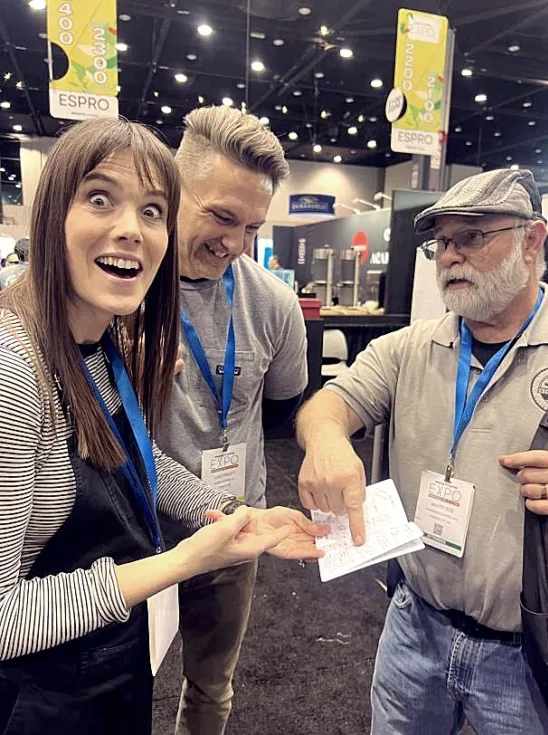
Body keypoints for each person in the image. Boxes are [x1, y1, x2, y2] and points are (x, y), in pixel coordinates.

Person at [0, 116, 326, 735]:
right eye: (100, 199)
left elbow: (134, 457)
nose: (130, 229)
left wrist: (234, 514)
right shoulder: (16, 363)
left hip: (97, 665)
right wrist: (177, 563)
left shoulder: (93, 342)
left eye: (150, 211)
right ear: (50, 217)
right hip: (37, 692)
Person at [296, 168, 548, 733]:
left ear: (533, 240)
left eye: (473, 238)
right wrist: (327, 439)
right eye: (442, 244)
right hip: (414, 625)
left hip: (525, 651)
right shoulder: (408, 349)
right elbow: (329, 404)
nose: (450, 258)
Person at [158, 105, 309, 735]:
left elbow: (284, 405)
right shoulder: (123, 282)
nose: (236, 243)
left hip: (233, 524)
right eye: (221, 216)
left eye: (252, 225)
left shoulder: (271, 301)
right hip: (129, 533)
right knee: (110, 683)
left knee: (211, 685)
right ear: (169, 189)